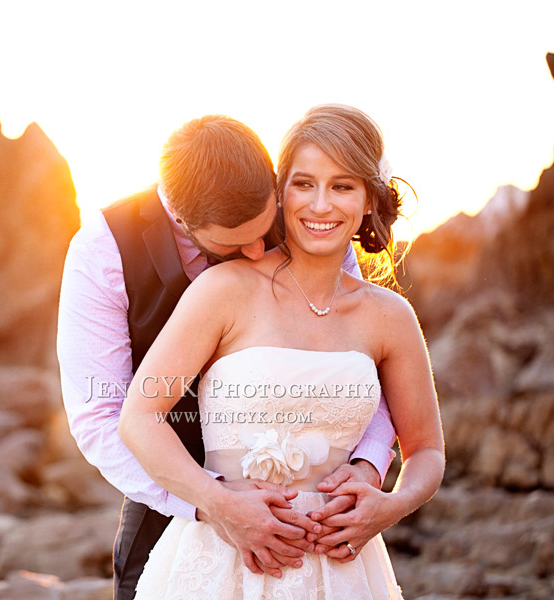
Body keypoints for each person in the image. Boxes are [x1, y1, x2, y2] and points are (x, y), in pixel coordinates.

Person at [57, 114, 398, 599]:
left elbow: (362, 361)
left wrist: (366, 466)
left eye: (266, 227)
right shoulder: (103, 251)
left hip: (317, 518)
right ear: (178, 213)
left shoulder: (306, 221)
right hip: (166, 497)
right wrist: (209, 500)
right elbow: (100, 415)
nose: (260, 250)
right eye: (235, 242)